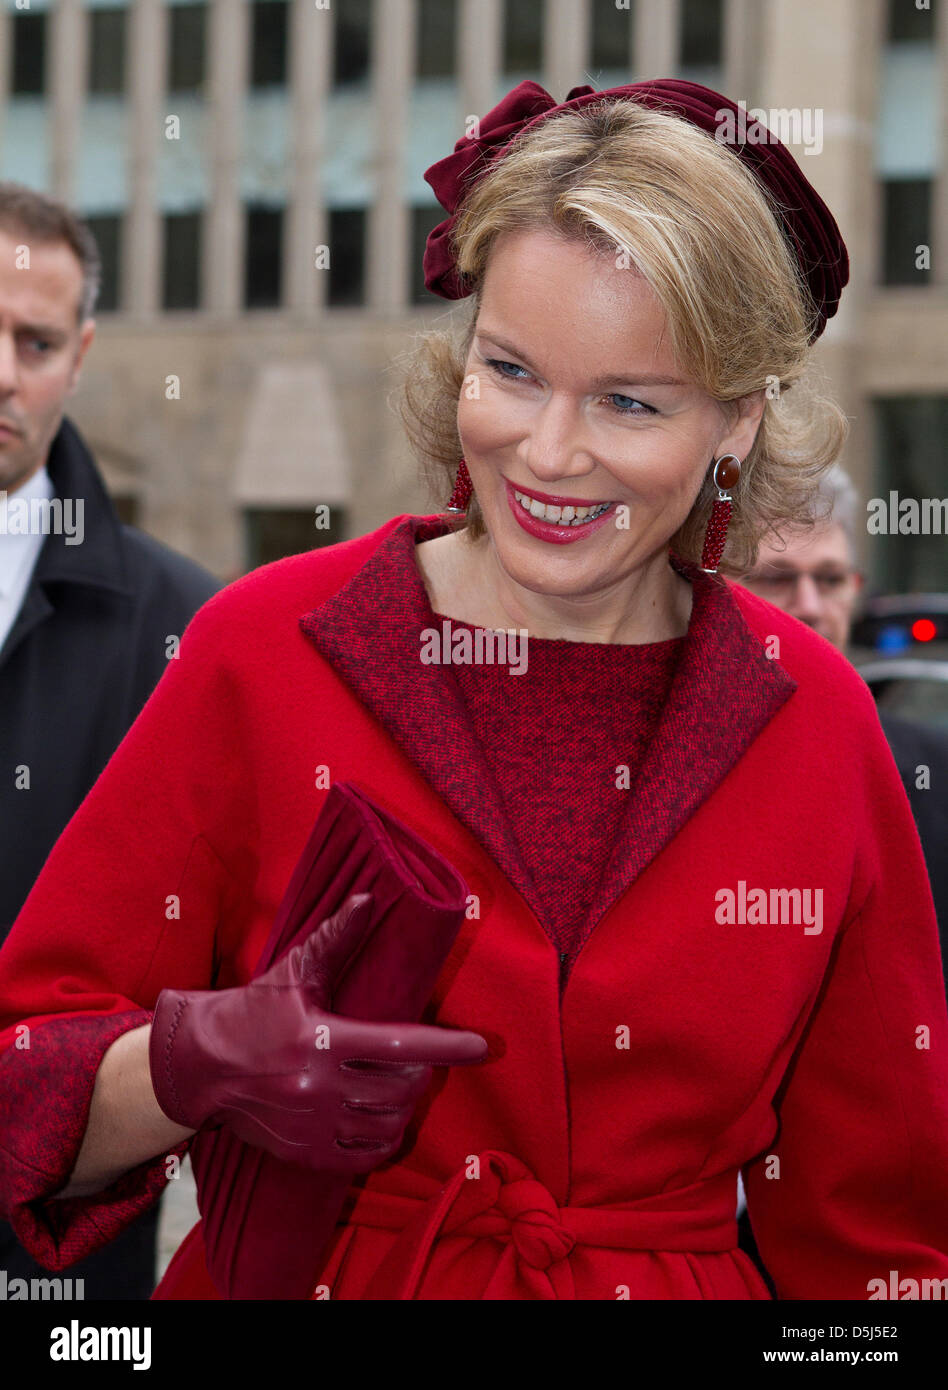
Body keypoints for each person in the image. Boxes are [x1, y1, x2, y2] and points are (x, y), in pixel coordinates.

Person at [1, 79, 947, 1302]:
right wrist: (191, 1063)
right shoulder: (261, 648)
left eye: (628, 402)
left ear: (738, 422)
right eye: (509, 370)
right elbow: (26, 1078)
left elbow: (877, 1246)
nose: (548, 451)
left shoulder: (817, 717)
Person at [0, 184, 219, 1298]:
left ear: (79, 354)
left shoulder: (185, 628)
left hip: (64, 1253)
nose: (2, 371)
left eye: (34, 341)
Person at [737, 466, 948, 981]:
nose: (809, 607)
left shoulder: (932, 770)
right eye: (776, 577)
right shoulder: (654, 768)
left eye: (830, 580)